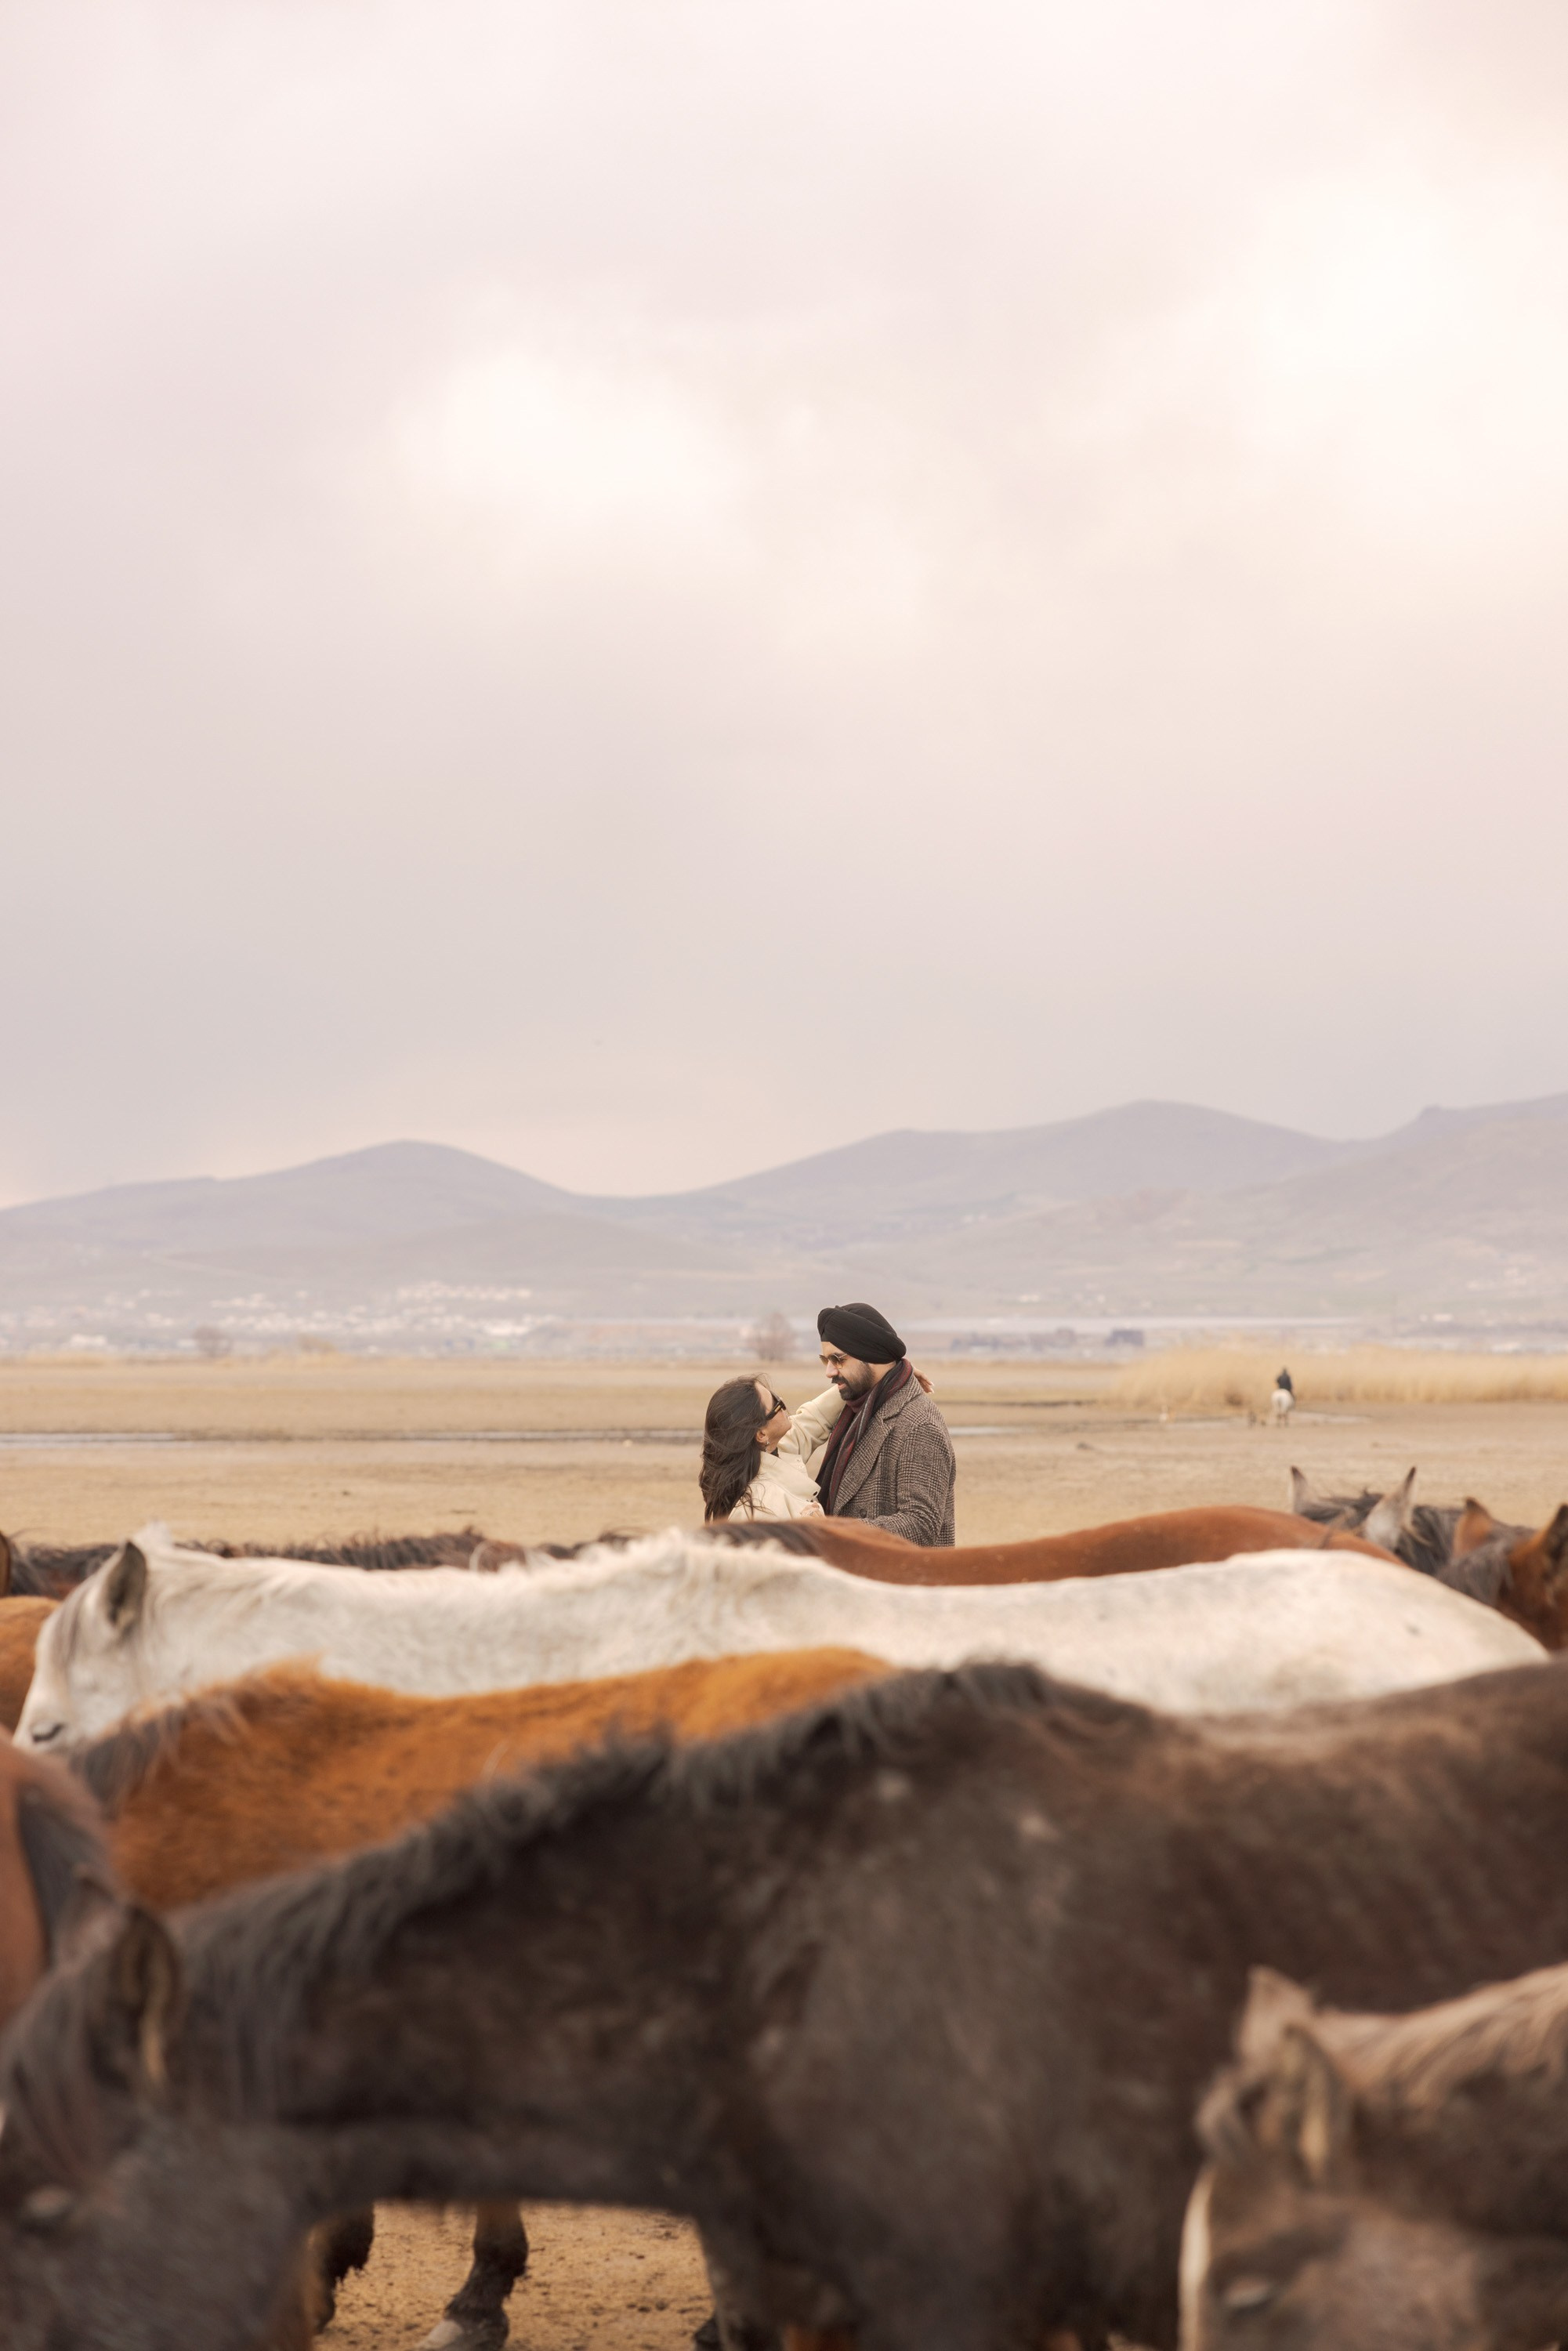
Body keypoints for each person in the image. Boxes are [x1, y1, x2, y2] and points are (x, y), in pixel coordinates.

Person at [813, 1301, 955, 1545]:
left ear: (870, 1353)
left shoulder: (919, 1425)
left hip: (902, 1581)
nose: (829, 1371)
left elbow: (920, 1525)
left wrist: (833, 1529)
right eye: (824, 1359)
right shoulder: (861, 1408)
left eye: (837, 1359)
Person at [699, 1375, 845, 1523]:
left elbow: (814, 1418)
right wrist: (818, 1530)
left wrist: (849, 1382)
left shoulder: (768, 1454)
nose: (782, 1403)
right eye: (776, 1404)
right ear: (761, 1434)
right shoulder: (761, 1506)